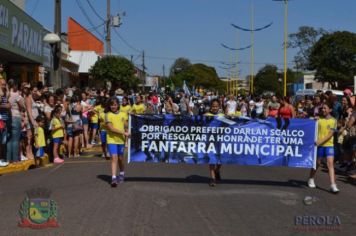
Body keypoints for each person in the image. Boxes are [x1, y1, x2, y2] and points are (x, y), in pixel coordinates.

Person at [308, 103, 340, 193]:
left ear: (330, 110)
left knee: (330, 164)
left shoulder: (334, 121)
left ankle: (333, 185)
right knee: (317, 163)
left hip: (329, 145)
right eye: (322, 109)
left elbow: (330, 135)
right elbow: (309, 124)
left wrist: (319, 141)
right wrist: (313, 120)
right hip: (320, 146)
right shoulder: (318, 120)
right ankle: (311, 178)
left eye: (325, 108)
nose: (323, 110)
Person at [105, 97, 130, 187]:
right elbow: (111, 128)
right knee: (114, 157)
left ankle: (122, 173)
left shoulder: (123, 114)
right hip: (111, 139)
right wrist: (124, 132)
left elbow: (127, 126)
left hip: (121, 140)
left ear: (118, 105)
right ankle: (114, 178)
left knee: (120, 158)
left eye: (115, 105)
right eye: (111, 105)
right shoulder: (107, 115)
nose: (113, 106)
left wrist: (129, 120)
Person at [204, 98, 224, 187]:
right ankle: (212, 178)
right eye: (213, 106)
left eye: (216, 106)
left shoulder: (222, 115)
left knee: (220, 160)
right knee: (212, 158)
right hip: (210, 140)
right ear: (211, 107)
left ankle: (217, 171)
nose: (215, 108)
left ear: (219, 107)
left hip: (220, 141)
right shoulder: (207, 115)